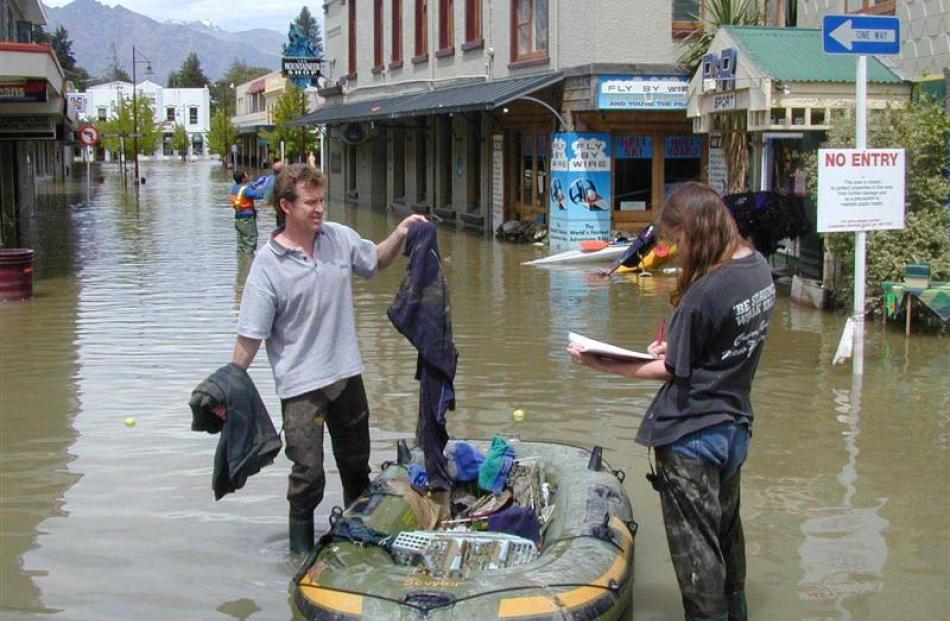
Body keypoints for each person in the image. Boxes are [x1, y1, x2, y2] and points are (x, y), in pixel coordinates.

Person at [568, 182, 775, 621]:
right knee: (726, 535)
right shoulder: (757, 269)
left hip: (692, 437)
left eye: (677, 241)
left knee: (697, 557)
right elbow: (725, 345)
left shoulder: (704, 293)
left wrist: (601, 362)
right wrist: (677, 347)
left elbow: (672, 371)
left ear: (695, 233)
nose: (676, 251)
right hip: (735, 429)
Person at [224, 163, 427, 554]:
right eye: (311, 203)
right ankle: (299, 556)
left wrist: (400, 233)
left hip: (347, 375)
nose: (320, 209)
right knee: (308, 475)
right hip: (301, 387)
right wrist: (230, 385)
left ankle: (359, 543)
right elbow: (250, 335)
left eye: (322, 201)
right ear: (285, 205)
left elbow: (375, 261)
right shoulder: (267, 265)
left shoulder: (338, 238)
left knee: (356, 466)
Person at [229, 171, 267, 255]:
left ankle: (241, 265)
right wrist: (269, 189)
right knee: (250, 241)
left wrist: (255, 183)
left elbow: (247, 188)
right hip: (247, 220)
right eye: (246, 176)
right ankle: (248, 264)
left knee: (241, 244)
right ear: (243, 179)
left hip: (238, 219)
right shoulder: (245, 190)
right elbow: (258, 195)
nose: (248, 177)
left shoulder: (234, 188)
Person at [248, 159, 285, 228]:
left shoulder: (273, 184)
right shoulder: (292, 181)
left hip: (282, 215)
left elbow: (266, 202)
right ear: (283, 170)